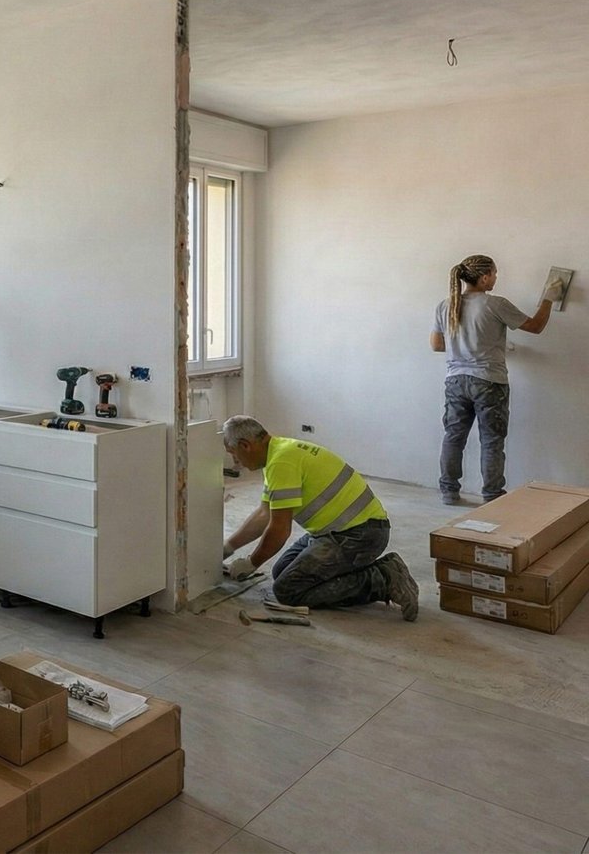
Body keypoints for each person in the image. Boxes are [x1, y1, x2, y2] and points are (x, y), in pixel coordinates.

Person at [220, 415, 420, 620]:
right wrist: (228, 547)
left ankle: (385, 578)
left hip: (359, 536)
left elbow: (280, 530)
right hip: (342, 530)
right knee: (281, 571)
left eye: (233, 454)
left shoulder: (281, 462)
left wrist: (252, 563)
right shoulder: (280, 451)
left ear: (245, 445)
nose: (236, 463)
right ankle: (358, 571)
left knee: (288, 590)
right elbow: (265, 514)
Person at [431, 255, 563, 505]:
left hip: (455, 381)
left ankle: (449, 492)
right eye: (494, 273)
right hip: (489, 382)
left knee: (453, 437)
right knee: (491, 441)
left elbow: (437, 345)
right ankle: (492, 496)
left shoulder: (445, 305)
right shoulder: (495, 304)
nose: (495, 278)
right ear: (484, 278)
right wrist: (549, 297)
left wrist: (468, 347)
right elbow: (535, 326)